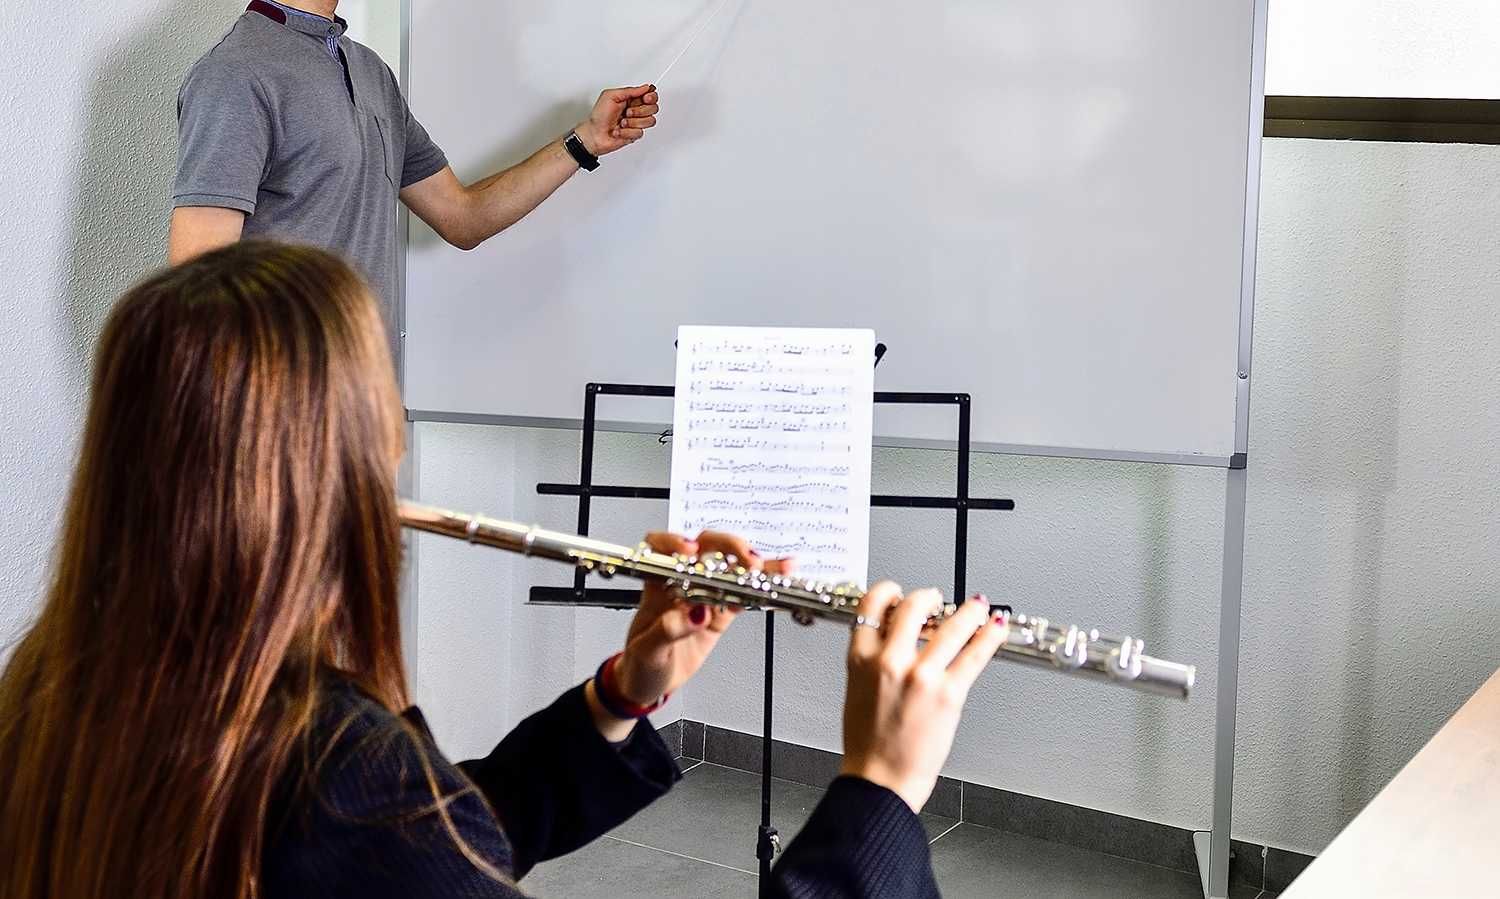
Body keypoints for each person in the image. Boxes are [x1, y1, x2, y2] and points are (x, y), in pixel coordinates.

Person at [0, 241, 1009, 899]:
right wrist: (879, 787)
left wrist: (621, 694)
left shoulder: (48, 686)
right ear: (313, 466)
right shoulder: (325, 759)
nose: (393, 445)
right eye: (379, 409)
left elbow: (422, 848)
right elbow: (390, 834)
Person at [169, 0, 660, 357]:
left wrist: (585, 141)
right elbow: (198, 287)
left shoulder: (368, 71)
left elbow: (464, 217)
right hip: (284, 420)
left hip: (366, 404)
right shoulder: (236, 73)